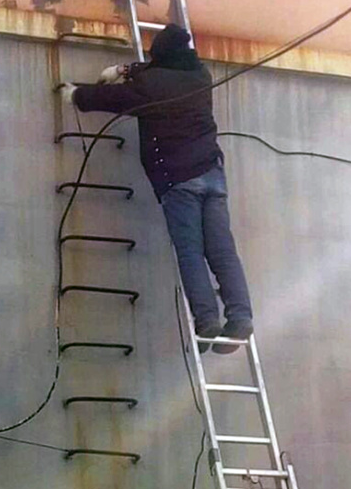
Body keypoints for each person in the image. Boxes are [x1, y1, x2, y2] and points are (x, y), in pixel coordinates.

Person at [58, 24, 253, 353]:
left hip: (179, 179)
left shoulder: (151, 85)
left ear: (160, 56)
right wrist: (126, 70)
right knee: (222, 251)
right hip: (212, 175)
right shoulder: (200, 75)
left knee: (191, 252)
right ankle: (241, 317)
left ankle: (207, 320)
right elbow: (158, 73)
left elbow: (115, 98)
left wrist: (77, 95)